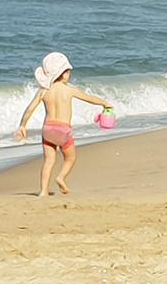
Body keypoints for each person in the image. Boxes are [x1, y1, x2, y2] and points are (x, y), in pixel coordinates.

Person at [13, 51, 113, 197]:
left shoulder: (43, 91)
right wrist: (106, 104)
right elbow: (89, 98)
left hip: (47, 129)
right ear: (64, 73)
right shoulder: (69, 90)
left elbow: (30, 108)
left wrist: (23, 125)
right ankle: (61, 177)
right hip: (63, 130)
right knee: (70, 158)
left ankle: (43, 191)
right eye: (68, 71)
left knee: (48, 161)